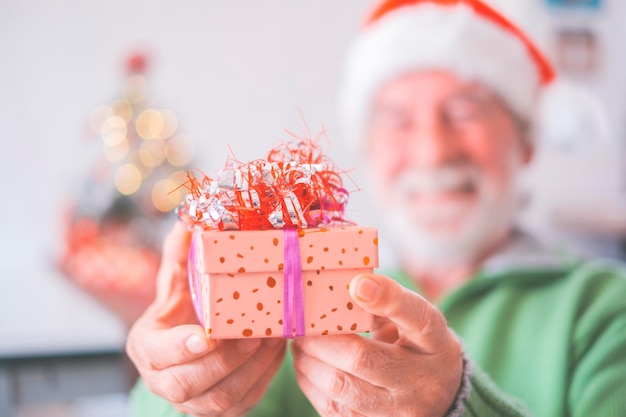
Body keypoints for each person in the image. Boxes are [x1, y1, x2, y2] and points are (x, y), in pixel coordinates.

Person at [126, 0, 626, 416]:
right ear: (368, 147)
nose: (432, 151)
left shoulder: (603, 310)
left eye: (465, 111)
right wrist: (179, 387)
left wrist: (457, 407)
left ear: (526, 141)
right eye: (397, 119)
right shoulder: (303, 294)